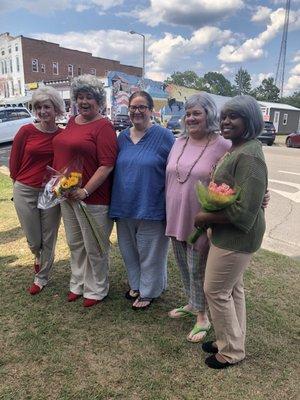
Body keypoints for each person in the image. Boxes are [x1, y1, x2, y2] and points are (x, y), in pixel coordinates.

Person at [196, 95, 268, 369]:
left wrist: (205, 215)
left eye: (233, 117)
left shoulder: (249, 154)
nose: (225, 121)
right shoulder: (238, 148)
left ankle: (232, 351)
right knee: (232, 289)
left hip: (238, 237)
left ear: (249, 121)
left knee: (215, 290)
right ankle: (231, 340)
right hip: (227, 234)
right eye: (224, 116)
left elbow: (245, 212)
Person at [165, 93, 231, 342]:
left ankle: (203, 317)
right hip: (175, 213)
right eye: (188, 113)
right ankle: (192, 304)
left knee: (198, 268)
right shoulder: (178, 141)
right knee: (182, 263)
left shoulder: (221, 144)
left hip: (200, 218)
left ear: (209, 115)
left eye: (197, 113)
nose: (191, 118)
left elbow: (233, 180)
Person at [52, 74, 118, 307]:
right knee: (75, 243)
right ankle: (77, 283)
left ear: (98, 100)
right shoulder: (72, 122)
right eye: (80, 97)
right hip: (67, 195)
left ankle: (97, 288)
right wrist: (59, 183)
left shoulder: (104, 126)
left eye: (89, 97)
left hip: (93, 198)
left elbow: (107, 164)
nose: (84, 101)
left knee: (95, 246)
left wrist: (86, 191)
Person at [109, 91, 175, 310]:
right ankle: (136, 285)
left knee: (151, 253)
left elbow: (177, 168)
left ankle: (149, 292)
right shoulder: (122, 137)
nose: (137, 112)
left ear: (150, 110)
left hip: (152, 205)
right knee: (129, 251)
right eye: (133, 108)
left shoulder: (164, 136)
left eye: (142, 107)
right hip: (124, 205)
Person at [9, 86, 65, 295]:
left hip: (51, 192)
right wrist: (19, 183)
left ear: (56, 109)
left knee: (49, 236)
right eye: (38, 107)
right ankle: (37, 255)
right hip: (25, 189)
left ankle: (41, 277)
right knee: (34, 239)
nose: (42, 111)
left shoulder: (62, 135)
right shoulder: (26, 131)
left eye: (47, 107)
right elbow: (14, 162)